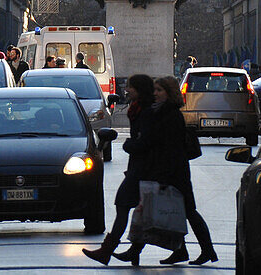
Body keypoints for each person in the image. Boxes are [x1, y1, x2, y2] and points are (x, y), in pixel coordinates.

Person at [112, 76, 217, 267]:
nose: (155, 93)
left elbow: (170, 148)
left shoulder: (170, 114)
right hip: (171, 170)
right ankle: (185, 250)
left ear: (169, 93)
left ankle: (206, 250)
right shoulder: (163, 112)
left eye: (159, 90)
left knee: (187, 211)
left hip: (174, 172)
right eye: (155, 90)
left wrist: (163, 175)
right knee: (179, 210)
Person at [83, 74, 156, 265]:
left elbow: (146, 142)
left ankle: (108, 250)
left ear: (139, 90)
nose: (126, 90)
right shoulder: (139, 109)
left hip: (144, 168)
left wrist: (129, 145)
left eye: (130, 87)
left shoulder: (146, 111)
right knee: (138, 208)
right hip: (139, 167)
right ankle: (132, 250)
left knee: (124, 204)